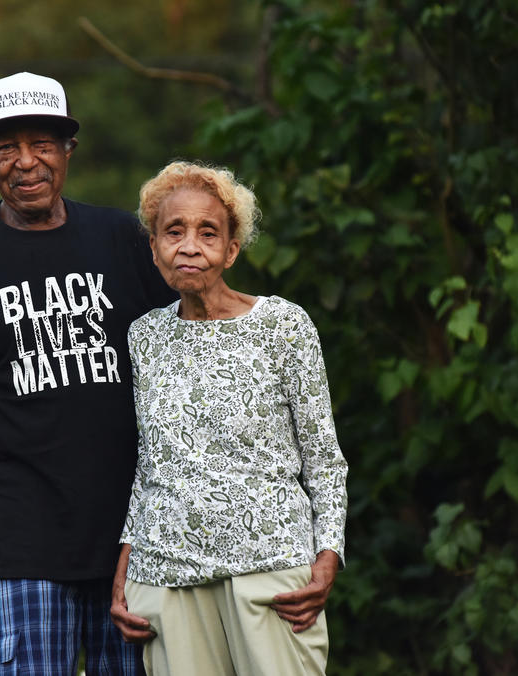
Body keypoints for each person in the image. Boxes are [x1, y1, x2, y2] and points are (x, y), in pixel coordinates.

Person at [0, 72, 176, 675]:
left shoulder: (124, 240)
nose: (25, 163)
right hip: (22, 540)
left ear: (68, 151)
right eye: (6, 147)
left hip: (138, 536)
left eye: (42, 143)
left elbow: (185, 361)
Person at [109, 161, 348, 676]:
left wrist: (328, 557)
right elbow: (152, 463)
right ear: (154, 248)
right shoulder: (144, 337)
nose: (189, 246)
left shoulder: (282, 325)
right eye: (174, 231)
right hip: (166, 579)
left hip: (272, 574)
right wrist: (126, 570)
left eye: (207, 232)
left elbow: (324, 460)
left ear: (232, 250)